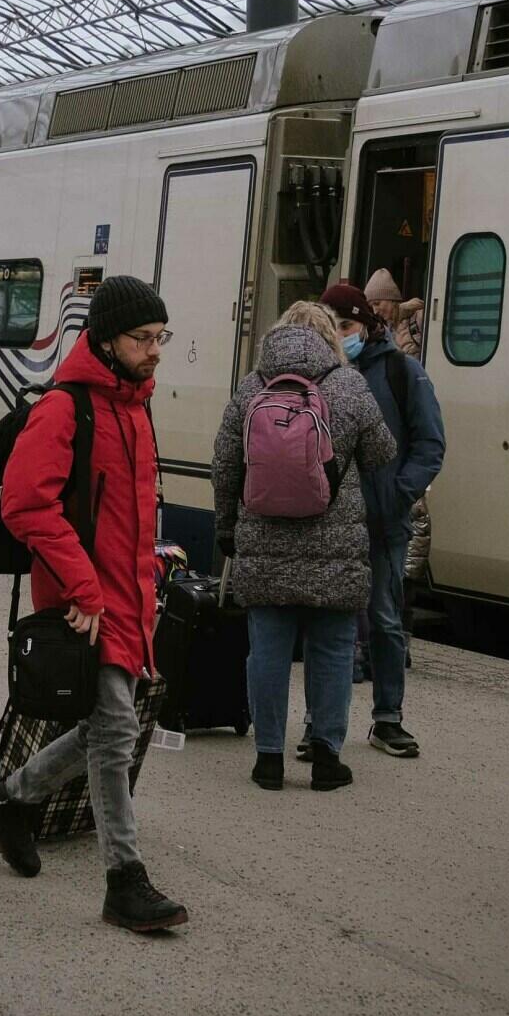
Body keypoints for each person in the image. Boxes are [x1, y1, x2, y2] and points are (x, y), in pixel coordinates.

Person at [0, 275, 187, 934]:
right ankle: (124, 879)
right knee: (116, 727)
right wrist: (85, 587)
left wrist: (153, 565)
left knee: (105, 726)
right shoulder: (66, 408)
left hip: (127, 595)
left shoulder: (135, 408)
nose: (155, 351)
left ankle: (8, 798)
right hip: (82, 601)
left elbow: (129, 513)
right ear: (105, 339)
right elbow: (24, 504)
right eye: (142, 339)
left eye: (161, 338)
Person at [212, 306, 395, 791]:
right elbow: (382, 453)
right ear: (331, 339)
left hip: (263, 543)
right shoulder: (349, 385)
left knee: (267, 652)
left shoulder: (253, 387)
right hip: (334, 547)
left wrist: (227, 526)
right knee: (333, 650)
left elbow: (225, 464)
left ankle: (268, 758)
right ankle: (326, 758)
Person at [319, 280, 444, 758]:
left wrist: (398, 493)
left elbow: (430, 442)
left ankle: (387, 718)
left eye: (346, 326)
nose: (339, 335)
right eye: (331, 327)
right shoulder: (319, 372)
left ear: (367, 325)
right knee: (327, 624)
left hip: (381, 520)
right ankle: (321, 725)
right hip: (327, 519)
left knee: (385, 620)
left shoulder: (401, 371)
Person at [365, 268, 433, 588]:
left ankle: (408, 580)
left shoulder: (413, 325)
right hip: (386, 435)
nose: (376, 310)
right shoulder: (370, 335)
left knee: (415, 512)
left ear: (394, 302)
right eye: (371, 304)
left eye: (381, 303)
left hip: (400, 433)